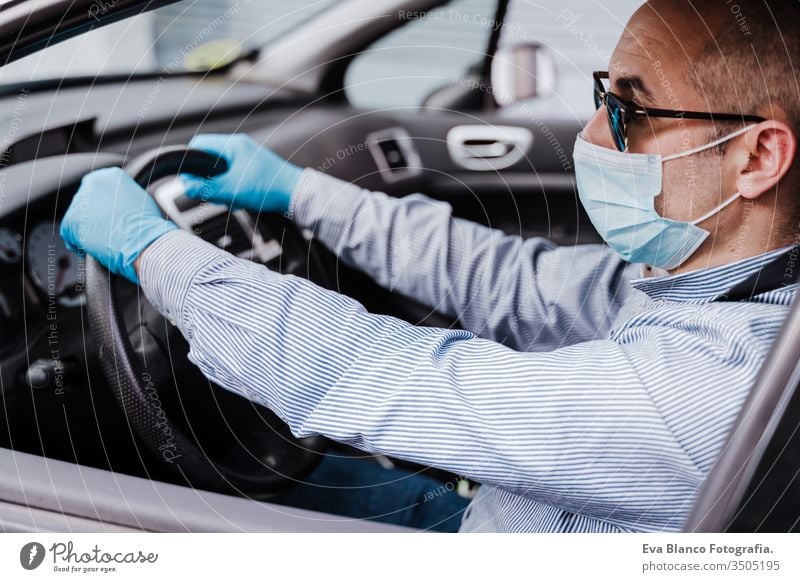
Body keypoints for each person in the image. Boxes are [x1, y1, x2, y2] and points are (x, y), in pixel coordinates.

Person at [60, 0, 800, 532]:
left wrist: (152, 251)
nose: (589, 134)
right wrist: (299, 189)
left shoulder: (708, 389)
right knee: (273, 476)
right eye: (601, 95)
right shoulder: (713, 281)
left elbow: (373, 373)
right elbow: (512, 282)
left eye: (628, 112)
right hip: (500, 517)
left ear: (756, 157)